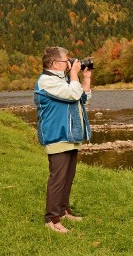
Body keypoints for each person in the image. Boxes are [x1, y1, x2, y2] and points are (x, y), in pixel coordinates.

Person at [33, 46, 92, 233]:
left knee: (68, 176)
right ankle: (51, 219)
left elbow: (82, 99)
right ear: (53, 63)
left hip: (70, 134)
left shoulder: (63, 80)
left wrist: (86, 78)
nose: (69, 63)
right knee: (58, 178)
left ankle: (63, 210)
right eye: (66, 61)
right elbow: (73, 93)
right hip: (57, 134)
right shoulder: (46, 81)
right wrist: (74, 73)